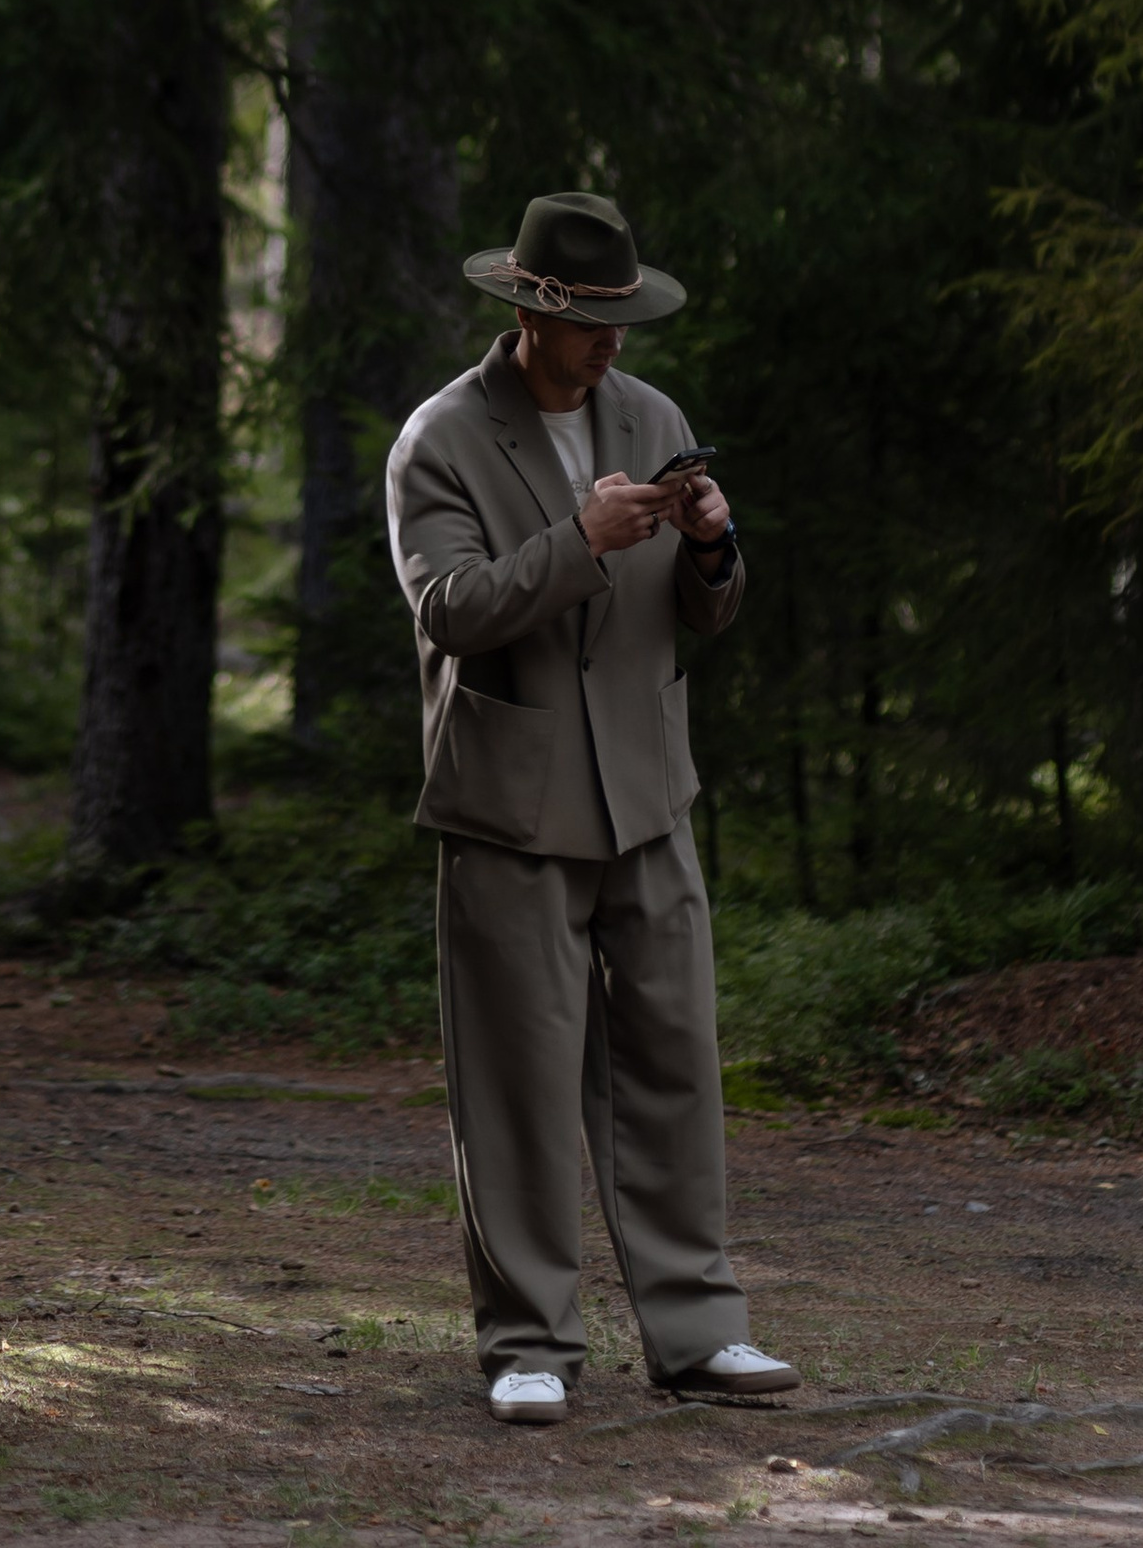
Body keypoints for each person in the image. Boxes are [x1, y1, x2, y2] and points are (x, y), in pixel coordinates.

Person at [384, 190, 800, 1429]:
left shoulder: (650, 415)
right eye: (592, 321)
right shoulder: (442, 439)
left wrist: (717, 549)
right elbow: (448, 609)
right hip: (509, 805)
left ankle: (698, 1333)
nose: (614, 341)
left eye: (626, 316)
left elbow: (695, 611)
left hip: (649, 796)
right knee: (516, 1079)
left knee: (675, 1059)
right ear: (528, 312)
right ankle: (528, 1344)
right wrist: (578, 538)